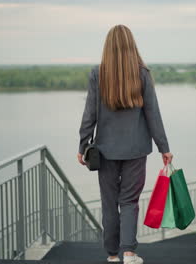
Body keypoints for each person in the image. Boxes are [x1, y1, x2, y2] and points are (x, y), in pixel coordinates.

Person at [77, 24, 173, 264]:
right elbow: (153, 114)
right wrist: (164, 148)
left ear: (108, 47)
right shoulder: (142, 73)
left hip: (105, 151)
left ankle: (112, 255)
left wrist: (82, 145)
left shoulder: (97, 73)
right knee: (129, 201)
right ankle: (129, 253)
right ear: (132, 46)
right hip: (136, 150)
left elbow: (89, 114)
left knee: (109, 203)